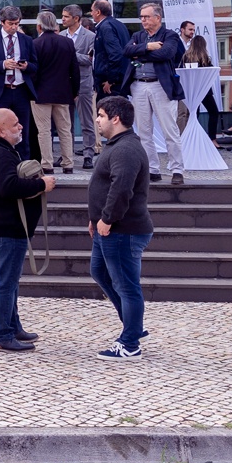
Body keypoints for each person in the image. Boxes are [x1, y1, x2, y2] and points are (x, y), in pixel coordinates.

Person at [0, 107, 52, 352]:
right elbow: (8, 187)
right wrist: (41, 184)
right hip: (5, 229)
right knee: (5, 283)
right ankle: (2, 335)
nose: (20, 127)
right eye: (15, 124)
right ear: (1, 131)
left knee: (9, 281)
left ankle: (12, 326)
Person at [88, 94, 154, 361]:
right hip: (108, 227)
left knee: (126, 285)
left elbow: (121, 189)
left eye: (101, 115)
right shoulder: (117, 145)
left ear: (115, 119)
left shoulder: (126, 149)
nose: (97, 120)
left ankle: (130, 343)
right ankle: (133, 326)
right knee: (100, 272)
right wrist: (95, 218)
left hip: (122, 229)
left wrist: (107, 219)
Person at [125, 2, 185, 186]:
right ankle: (152, 169)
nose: (143, 20)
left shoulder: (170, 35)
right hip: (139, 86)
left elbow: (166, 54)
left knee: (170, 130)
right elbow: (126, 51)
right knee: (144, 132)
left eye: (146, 16)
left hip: (160, 86)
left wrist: (140, 53)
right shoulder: (138, 35)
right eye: (141, 17)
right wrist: (149, 47)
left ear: (157, 18)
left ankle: (177, 170)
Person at [0, 6, 36, 156]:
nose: (14, 27)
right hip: (0, 91)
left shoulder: (26, 40)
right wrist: (2, 65)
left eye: (17, 23)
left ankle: (24, 164)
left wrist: (26, 66)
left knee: (22, 131)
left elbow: (35, 65)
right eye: (11, 24)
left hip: (21, 90)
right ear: (2, 22)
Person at [30, 11, 80, 174]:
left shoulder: (36, 44)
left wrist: (32, 90)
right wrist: (75, 91)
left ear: (39, 26)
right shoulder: (67, 42)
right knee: (65, 130)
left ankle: (47, 164)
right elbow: (74, 70)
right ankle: (68, 163)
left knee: (44, 131)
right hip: (63, 92)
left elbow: (33, 72)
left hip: (40, 93)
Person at [63, 4, 98, 169]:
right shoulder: (61, 35)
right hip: (64, 84)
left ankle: (88, 154)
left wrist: (70, 54)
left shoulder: (90, 36)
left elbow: (90, 60)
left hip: (83, 83)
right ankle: (66, 155)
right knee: (65, 123)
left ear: (76, 18)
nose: (63, 19)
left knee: (86, 122)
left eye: (66, 16)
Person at [90, 0, 132, 100]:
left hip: (110, 84)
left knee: (108, 109)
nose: (91, 14)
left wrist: (111, 80)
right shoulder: (118, 24)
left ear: (98, 12)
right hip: (119, 78)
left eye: (92, 11)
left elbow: (116, 54)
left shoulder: (106, 27)